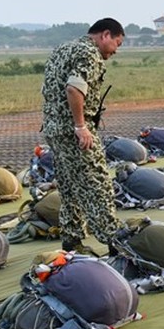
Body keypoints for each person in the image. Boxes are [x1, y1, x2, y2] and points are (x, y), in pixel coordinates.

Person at [41, 18, 126, 253]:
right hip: (73, 132)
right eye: (116, 43)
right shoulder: (90, 54)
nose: (115, 51)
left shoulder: (63, 49)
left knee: (70, 187)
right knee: (97, 184)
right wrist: (80, 126)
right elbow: (74, 87)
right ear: (105, 35)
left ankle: (72, 239)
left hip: (54, 129)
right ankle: (114, 242)